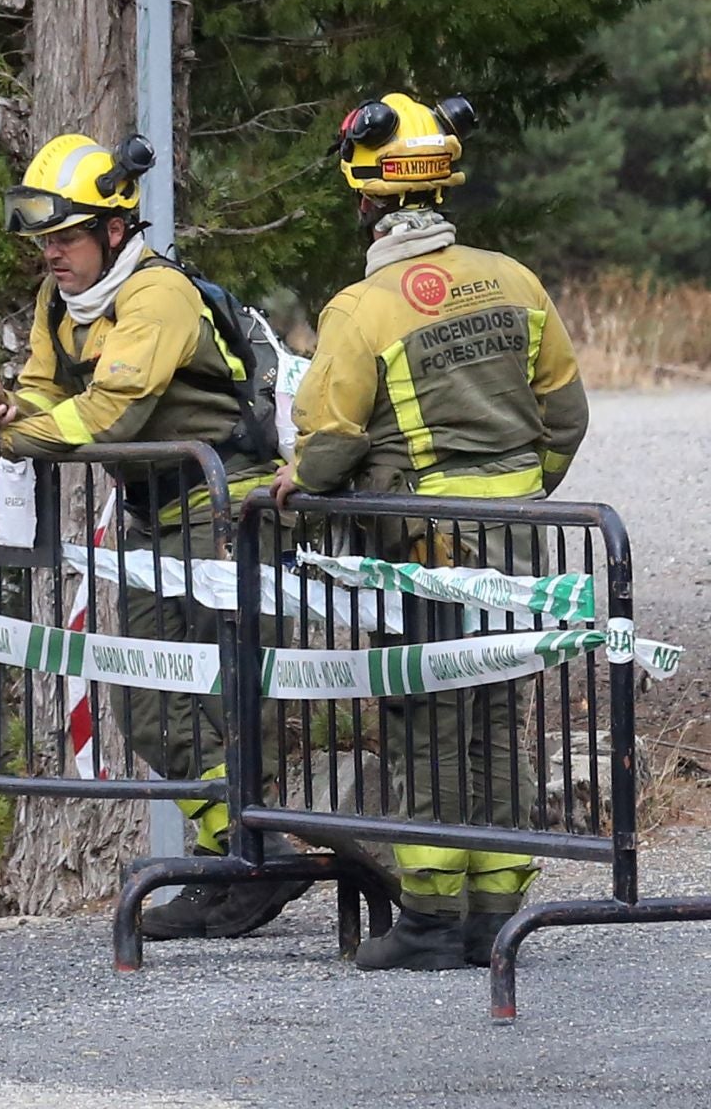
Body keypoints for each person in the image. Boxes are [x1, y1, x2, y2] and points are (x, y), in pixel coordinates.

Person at [272, 92, 590, 971]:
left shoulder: (363, 308)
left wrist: (297, 482)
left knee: (429, 718)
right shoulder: (515, 280)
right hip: (519, 540)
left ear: (364, 196)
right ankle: (496, 915)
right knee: (499, 714)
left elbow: (333, 439)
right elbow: (566, 417)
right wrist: (517, 494)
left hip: (422, 549)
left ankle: (429, 921)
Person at [0, 132, 298, 940]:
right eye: (44, 242)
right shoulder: (59, 303)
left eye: (67, 238)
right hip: (153, 519)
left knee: (221, 698)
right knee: (147, 706)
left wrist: (6, 442)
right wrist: (6, 411)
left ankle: (253, 857)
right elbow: (48, 393)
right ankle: (240, 855)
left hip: (224, 515)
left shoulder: (157, 296)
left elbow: (113, 412)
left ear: (115, 230)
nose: (52, 256)